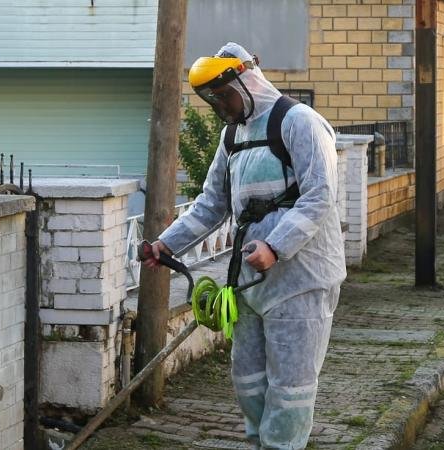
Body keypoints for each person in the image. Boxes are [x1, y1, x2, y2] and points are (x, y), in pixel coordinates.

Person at [142, 42, 345, 449]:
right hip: (249, 285)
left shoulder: (299, 122)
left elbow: (319, 195)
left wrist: (275, 246)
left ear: (246, 80)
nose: (220, 104)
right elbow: (211, 205)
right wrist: (165, 245)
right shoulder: (231, 136)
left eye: (223, 95)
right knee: (249, 382)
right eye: (213, 99)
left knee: (290, 388)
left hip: (301, 280)